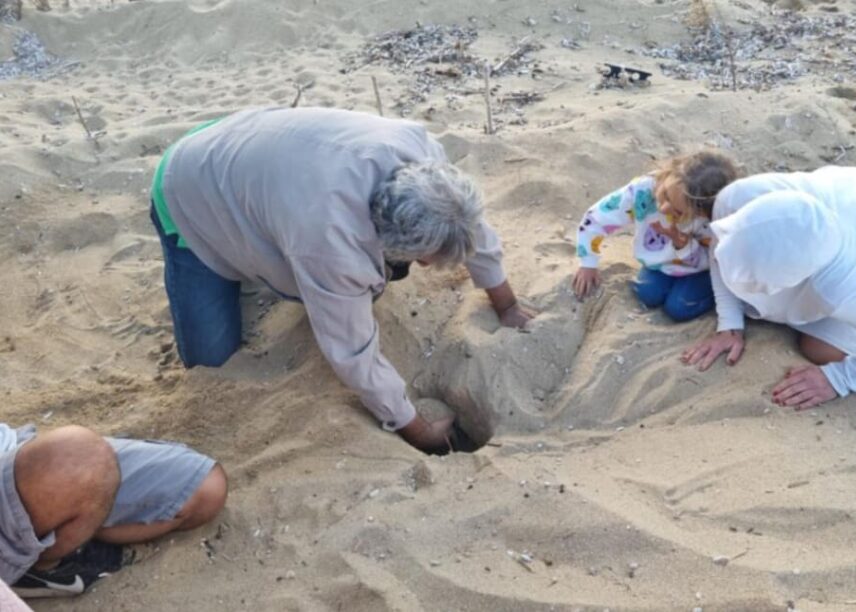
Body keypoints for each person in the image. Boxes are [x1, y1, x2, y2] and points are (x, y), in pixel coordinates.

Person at [150, 107, 535, 454]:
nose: (425, 266)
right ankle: (238, 261)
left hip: (254, 148)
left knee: (338, 281)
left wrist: (508, 305)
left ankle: (263, 246)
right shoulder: (328, 240)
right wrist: (418, 431)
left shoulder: (428, 163)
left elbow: (472, 232)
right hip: (191, 188)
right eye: (425, 260)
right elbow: (352, 352)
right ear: (395, 242)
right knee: (211, 359)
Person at [682, 165, 856, 408]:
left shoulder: (844, 285)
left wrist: (839, 379)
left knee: (823, 351)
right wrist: (730, 324)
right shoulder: (736, 198)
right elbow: (721, 252)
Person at [0, 423, 227, 598]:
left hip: (11, 449)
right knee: (84, 454)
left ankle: (67, 528)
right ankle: (41, 567)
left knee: (206, 490)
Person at [571, 151, 739, 321]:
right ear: (667, 175)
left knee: (679, 308)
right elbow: (596, 219)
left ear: (703, 213)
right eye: (665, 194)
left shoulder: (713, 220)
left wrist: (684, 246)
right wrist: (588, 263)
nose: (663, 208)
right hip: (659, 264)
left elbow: (716, 258)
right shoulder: (644, 190)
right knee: (648, 294)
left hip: (700, 269)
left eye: (678, 211)